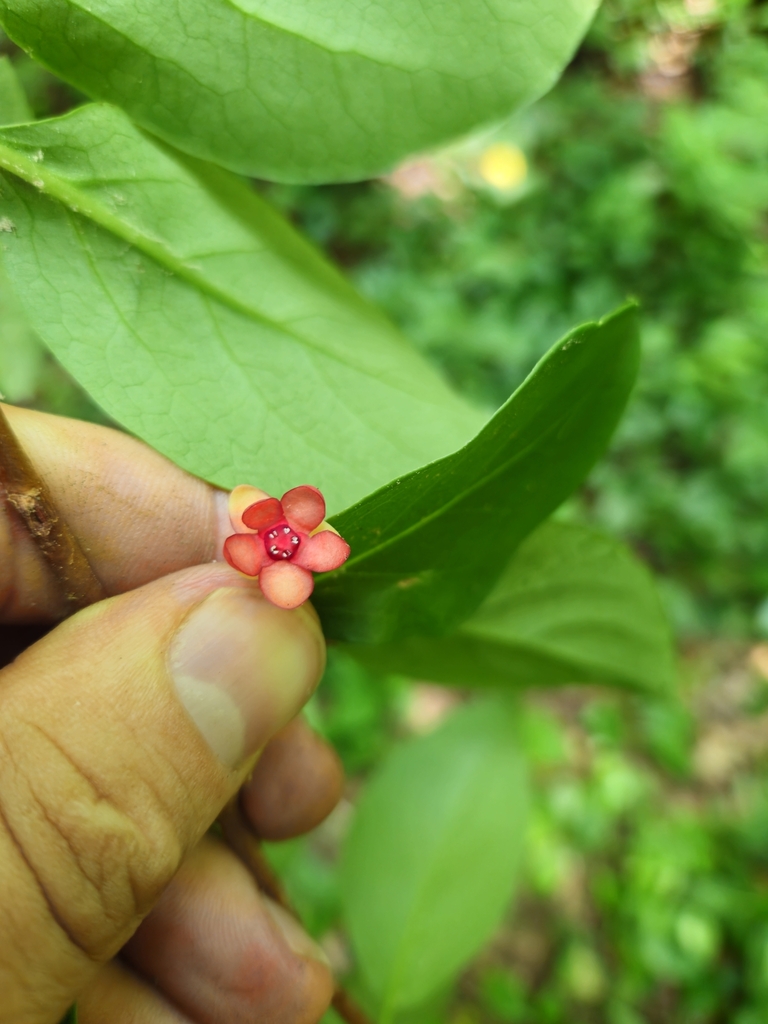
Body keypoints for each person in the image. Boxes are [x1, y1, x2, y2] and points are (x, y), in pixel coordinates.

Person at [0, 404, 344, 1024]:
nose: (284, 543)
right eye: (277, 538)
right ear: (264, 537)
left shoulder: (290, 552)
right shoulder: (259, 548)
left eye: (291, 541)